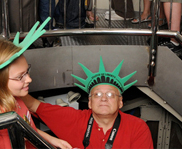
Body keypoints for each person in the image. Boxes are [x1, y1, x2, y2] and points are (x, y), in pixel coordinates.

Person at [0, 20, 71, 149]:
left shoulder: (12, 96)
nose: (29, 79)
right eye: (20, 77)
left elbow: (29, 127)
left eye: (27, 72)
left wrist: (53, 140)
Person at [21, 58, 154, 149]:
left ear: (120, 102)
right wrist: (11, 83)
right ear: (90, 102)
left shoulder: (138, 128)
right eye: (97, 94)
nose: (103, 98)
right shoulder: (74, 119)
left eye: (110, 95)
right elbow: (33, 105)